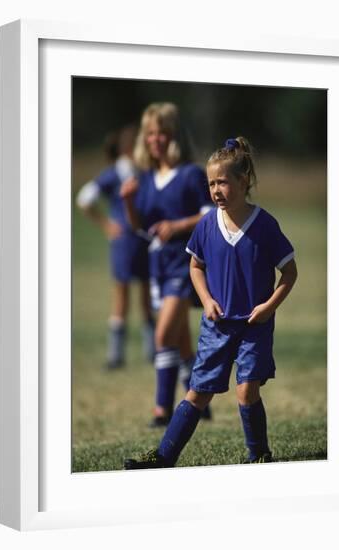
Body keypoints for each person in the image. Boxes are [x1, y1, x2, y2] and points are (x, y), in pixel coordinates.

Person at [124, 136, 298, 468]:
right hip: (216, 325)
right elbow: (195, 265)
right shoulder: (206, 225)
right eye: (211, 183)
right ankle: (163, 457)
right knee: (198, 392)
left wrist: (269, 307)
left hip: (253, 326)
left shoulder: (265, 225)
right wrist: (205, 300)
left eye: (222, 182)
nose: (215, 189)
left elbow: (290, 272)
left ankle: (259, 456)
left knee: (246, 392)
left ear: (243, 180)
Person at [120, 102, 213, 427]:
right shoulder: (145, 178)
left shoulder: (190, 174)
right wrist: (129, 202)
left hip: (187, 264)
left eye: (161, 133)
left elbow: (209, 214)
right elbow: (141, 227)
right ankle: (198, 400)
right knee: (179, 337)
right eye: (150, 133)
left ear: (173, 135)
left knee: (162, 336)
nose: (155, 139)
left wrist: (176, 226)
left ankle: (162, 411)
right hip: (158, 264)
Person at [76, 124, 155, 370]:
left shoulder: (145, 172)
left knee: (146, 296)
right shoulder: (113, 174)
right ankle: (115, 355)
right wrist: (105, 224)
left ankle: (153, 351)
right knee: (121, 296)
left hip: (145, 241)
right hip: (123, 244)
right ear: (131, 148)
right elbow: (84, 199)